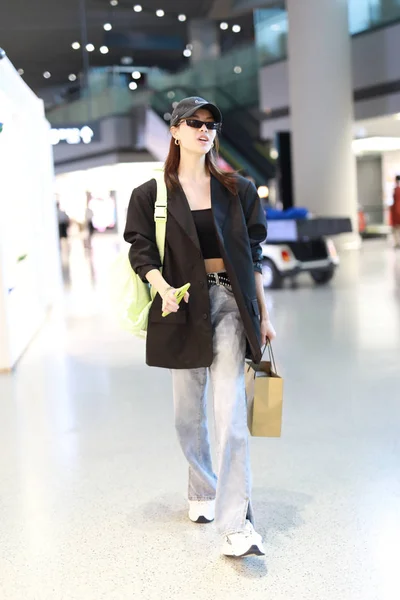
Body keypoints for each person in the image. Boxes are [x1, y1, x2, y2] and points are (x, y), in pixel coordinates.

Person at [124, 97, 276, 558]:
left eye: (211, 124)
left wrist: (264, 316)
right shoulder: (151, 194)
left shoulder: (237, 188)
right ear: (174, 131)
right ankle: (201, 489)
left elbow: (252, 258)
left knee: (231, 414)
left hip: (231, 302)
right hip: (181, 307)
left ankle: (237, 525)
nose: (204, 130)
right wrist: (160, 286)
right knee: (187, 417)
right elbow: (141, 251)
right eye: (194, 123)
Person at [392, 175, 400, 248]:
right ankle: (397, 242)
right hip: (397, 209)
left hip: (396, 210)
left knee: (396, 228)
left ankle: (397, 242)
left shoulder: (396, 189)